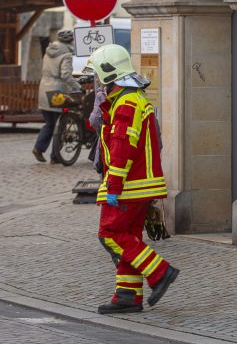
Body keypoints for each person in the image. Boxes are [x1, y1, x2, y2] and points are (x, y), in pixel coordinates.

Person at [85, 43, 180, 314]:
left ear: (108, 73)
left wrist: (113, 186)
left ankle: (160, 272)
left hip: (128, 186)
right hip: (138, 185)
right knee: (128, 237)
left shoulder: (126, 103)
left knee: (110, 233)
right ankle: (127, 295)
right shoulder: (133, 99)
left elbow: (122, 148)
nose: (97, 83)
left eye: (98, 77)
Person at [33, 30, 80, 163]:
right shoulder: (66, 55)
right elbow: (66, 75)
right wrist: (77, 87)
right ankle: (55, 157)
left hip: (43, 89)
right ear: (70, 42)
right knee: (61, 124)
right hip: (57, 92)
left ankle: (38, 148)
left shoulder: (48, 51)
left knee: (49, 123)